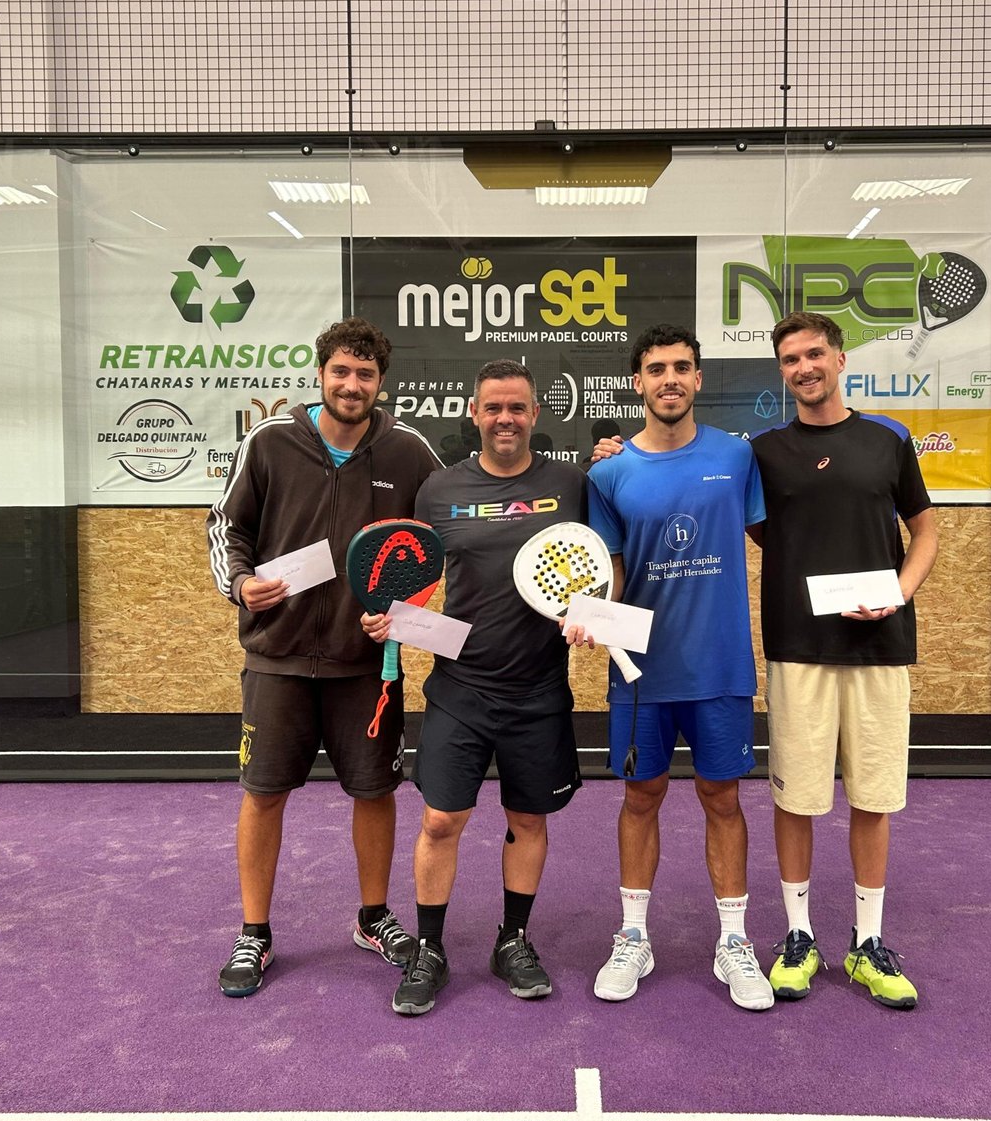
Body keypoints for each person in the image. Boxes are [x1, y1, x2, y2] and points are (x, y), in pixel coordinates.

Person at [206, 317, 442, 997]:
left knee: (374, 793)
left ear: (380, 383)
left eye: (365, 375)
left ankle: (373, 917)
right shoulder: (272, 440)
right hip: (276, 659)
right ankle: (255, 931)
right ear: (320, 374)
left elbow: (438, 537)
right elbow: (227, 525)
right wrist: (240, 584)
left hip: (365, 667)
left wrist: (408, 612)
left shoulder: (408, 452)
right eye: (341, 371)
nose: (352, 384)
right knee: (263, 795)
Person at [362, 359, 587, 1016]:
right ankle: (429, 948)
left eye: (517, 408)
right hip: (459, 685)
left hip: (540, 686)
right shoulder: (438, 489)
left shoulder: (571, 485)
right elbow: (416, 573)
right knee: (441, 820)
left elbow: (603, 564)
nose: (506, 419)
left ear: (535, 414)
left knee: (528, 818)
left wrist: (595, 614)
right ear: (474, 413)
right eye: (494, 408)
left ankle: (513, 940)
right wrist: (392, 616)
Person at [583, 324, 774, 1012]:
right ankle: (633, 934)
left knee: (724, 799)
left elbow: (779, 536)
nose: (669, 378)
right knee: (641, 798)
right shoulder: (607, 474)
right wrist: (587, 619)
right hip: (640, 674)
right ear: (637, 383)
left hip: (720, 666)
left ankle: (733, 941)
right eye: (656, 368)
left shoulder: (737, 457)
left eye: (682, 368)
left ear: (698, 379)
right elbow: (609, 575)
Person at [750, 310, 938, 1009]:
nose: (803, 368)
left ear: (839, 358)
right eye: (791, 359)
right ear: (782, 372)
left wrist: (899, 591)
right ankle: (798, 936)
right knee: (795, 798)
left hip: (879, 650)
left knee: (874, 798)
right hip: (799, 648)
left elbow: (925, 531)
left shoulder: (887, 439)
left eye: (815, 354)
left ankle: (867, 943)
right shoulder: (763, 452)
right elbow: (735, 511)